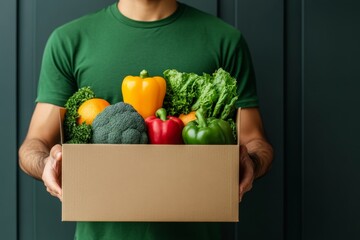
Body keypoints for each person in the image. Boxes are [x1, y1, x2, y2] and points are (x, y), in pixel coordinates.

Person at [18, 0, 274, 239]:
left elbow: (255, 140)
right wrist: (46, 165)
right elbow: (34, 143)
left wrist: (250, 161)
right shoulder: (69, 41)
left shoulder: (225, 40)